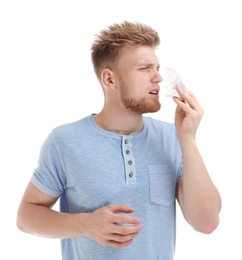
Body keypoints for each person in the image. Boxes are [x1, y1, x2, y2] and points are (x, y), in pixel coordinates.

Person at [16, 20, 222, 260]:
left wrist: (188, 140)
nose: (157, 77)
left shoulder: (172, 138)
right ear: (109, 80)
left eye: (157, 68)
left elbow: (207, 222)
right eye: (145, 68)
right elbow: (26, 216)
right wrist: (85, 224)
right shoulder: (64, 141)